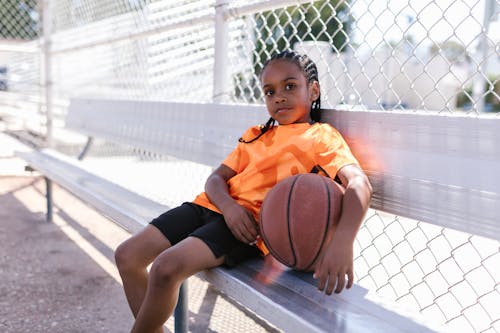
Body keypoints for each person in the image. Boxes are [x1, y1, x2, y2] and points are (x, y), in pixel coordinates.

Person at [115, 50, 373, 333]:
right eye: (269, 91)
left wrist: (343, 242)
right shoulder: (256, 134)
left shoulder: (321, 137)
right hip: (213, 207)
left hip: (247, 228)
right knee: (127, 255)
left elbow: (359, 184)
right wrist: (228, 206)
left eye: (290, 86)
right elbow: (216, 179)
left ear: (313, 90)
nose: (279, 96)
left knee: (165, 269)